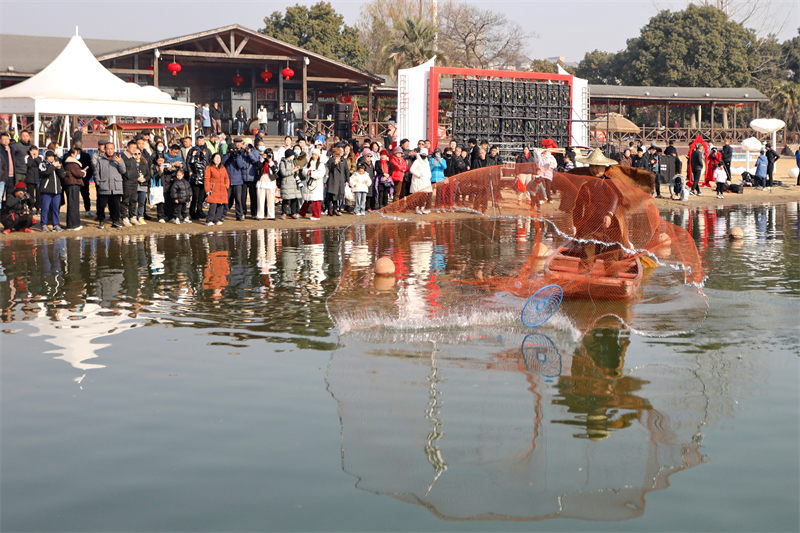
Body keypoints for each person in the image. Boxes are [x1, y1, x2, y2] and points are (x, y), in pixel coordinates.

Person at [570, 148, 628, 269]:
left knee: (611, 255)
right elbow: (578, 206)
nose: (594, 169)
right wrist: (577, 225)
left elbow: (614, 198)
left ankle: (612, 277)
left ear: (605, 167)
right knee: (587, 254)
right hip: (591, 223)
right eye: (592, 166)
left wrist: (609, 214)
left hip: (611, 224)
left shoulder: (610, 182)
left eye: (597, 166)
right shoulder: (586, 184)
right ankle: (583, 276)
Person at [94, 142, 126, 229]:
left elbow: (123, 171)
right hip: (104, 187)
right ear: (105, 149)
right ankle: (101, 221)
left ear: (114, 149)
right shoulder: (100, 160)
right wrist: (99, 183)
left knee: (116, 206)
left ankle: (115, 221)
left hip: (116, 187)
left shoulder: (118, 159)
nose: (110, 150)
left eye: (111, 148)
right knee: (101, 205)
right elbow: (96, 173)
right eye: (108, 148)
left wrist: (119, 163)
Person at [38, 150, 65, 232]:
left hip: (57, 190)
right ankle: (43, 224)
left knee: (56, 208)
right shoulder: (42, 164)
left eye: (52, 156)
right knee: (45, 208)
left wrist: (59, 168)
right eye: (49, 156)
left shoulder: (57, 164)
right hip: (46, 190)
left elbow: (63, 175)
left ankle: (56, 224)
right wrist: (53, 166)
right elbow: (46, 173)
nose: (51, 158)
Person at [186, 136, 212, 220]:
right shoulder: (193, 151)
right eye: (199, 140)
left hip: (204, 178)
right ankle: (192, 212)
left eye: (202, 140)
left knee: (201, 198)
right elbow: (189, 162)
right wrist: (190, 171)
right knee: (195, 197)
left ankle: (200, 211)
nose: (201, 142)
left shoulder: (207, 152)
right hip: (196, 178)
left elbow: (209, 162)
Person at [299, 148, 326, 220]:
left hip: (316, 184)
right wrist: (307, 171)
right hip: (308, 184)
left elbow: (320, 174)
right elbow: (304, 171)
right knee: (307, 199)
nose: (314, 156)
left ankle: (316, 215)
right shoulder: (309, 163)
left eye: (315, 154)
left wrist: (312, 173)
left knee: (316, 200)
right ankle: (302, 213)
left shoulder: (321, 164)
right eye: (313, 154)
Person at [62, 147, 86, 231]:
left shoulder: (68, 162)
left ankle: (73, 224)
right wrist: (83, 172)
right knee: (73, 205)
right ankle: (73, 225)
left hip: (71, 184)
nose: (77, 155)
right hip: (73, 185)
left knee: (73, 204)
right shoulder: (72, 163)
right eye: (76, 153)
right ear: (72, 154)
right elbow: (78, 174)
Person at [204, 153, 229, 225]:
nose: (218, 160)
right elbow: (207, 179)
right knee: (213, 205)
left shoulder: (223, 167)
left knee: (221, 205)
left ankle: (217, 219)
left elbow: (226, 177)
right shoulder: (209, 167)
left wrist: (226, 185)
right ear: (213, 159)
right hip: (213, 189)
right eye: (216, 158)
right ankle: (209, 220)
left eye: (219, 158)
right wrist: (208, 189)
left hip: (222, 189)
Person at [278, 148, 302, 219]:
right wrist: (293, 170)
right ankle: (284, 213)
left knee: (294, 198)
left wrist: (297, 169)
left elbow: (295, 172)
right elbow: (283, 173)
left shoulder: (293, 162)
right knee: (286, 198)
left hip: (294, 182)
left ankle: (293, 213)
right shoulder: (283, 162)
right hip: (286, 182)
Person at [256, 147, 278, 220]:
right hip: (261, 182)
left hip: (270, 182)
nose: (268, 155)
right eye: (267, 154)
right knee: (260, 200)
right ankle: (260, 215)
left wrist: (270, 161)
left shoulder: (274, 162)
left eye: (270, 154)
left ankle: (271, 215)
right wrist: (262, 158)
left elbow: (275, 170)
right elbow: (258, 166)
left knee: (271, 200)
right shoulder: (262, 161)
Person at [325, 146, 348, 216]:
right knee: (330, 195)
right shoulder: (330, 160)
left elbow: (346, 170)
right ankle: (329, 209)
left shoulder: (343, 161)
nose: (337, 156)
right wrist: (334, 164)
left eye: (338, 154)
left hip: (340, 180)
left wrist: (347, 179)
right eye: (336, 154)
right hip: (332, 180)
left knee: (336, 196)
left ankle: (335, 209)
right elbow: (328, 169)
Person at [409, 148, 433, 214]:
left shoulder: (427, 162)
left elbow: (428, 170)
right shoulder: (417, 161)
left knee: (426, 194)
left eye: (425, 154)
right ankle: (417, 208)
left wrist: (429, 176)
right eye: (423, 154)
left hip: (426, 181)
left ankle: (423, 208)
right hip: (418, 180)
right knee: (419, 195)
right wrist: (418, 175)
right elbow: (412, 169)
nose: (424, 155)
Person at [150, 153, 171, 223]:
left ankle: (168, 216)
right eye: (159, 160)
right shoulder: (154, 166)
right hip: (159, 186)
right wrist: (160, 171)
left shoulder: (167, 163)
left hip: (168, 185)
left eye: (162, 160)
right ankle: (160, 216)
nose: (161, 162)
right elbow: (153, 176)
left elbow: (173, 170)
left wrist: (169, 168)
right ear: (156, 160)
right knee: (160, 202)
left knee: (168, 202)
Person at [24, 145, 43, 213]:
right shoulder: (27, 157)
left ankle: (38, 207)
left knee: (39, 194)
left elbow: (41, 165)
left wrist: (36, 158)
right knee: (30, 194)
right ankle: (30, 207)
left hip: (38, 178)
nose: (34, 152)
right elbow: (28, 165)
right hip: (30, 178)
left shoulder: (40, 157)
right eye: (32, 151)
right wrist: (32, 158)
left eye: (35, 150)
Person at [0, 132, 15, 203]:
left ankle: (9, 208)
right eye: (4, 139)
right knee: (1, 194)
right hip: (2, 176)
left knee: (10, 195)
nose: (6, 141)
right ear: (0, 140)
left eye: (7, 139)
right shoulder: (1, 150)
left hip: (12, 176)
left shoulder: (12, 149)